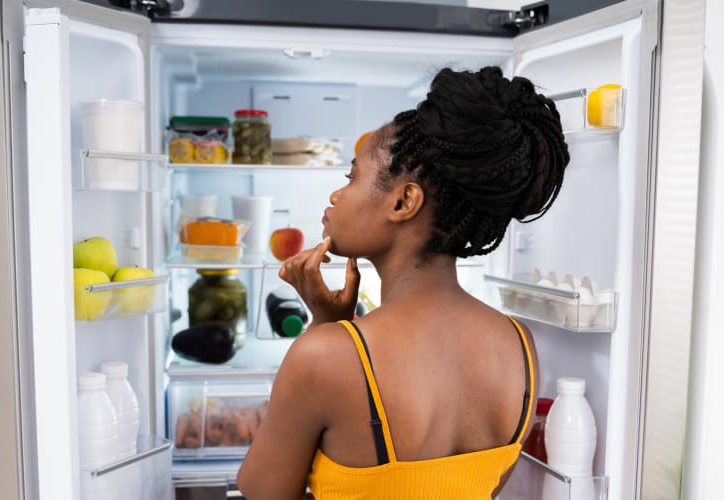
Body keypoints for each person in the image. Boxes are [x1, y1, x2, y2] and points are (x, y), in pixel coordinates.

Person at [238, 66, 570, 499]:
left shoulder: (326, 357)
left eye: (351, 178)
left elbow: (262, 490)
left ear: (403, 201)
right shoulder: (520, 345)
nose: (337, 196)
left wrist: (325, 329)